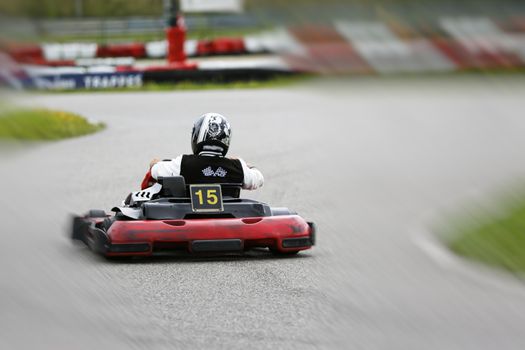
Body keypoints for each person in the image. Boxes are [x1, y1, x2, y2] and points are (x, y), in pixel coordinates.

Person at [146, 112, 264, 190]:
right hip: (227, 218)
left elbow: (156, 171)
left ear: (196, 136)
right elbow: (258, 178)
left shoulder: (183, 163)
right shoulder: (238, 167)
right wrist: (246, 165)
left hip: (190, 219)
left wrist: (155, 164)